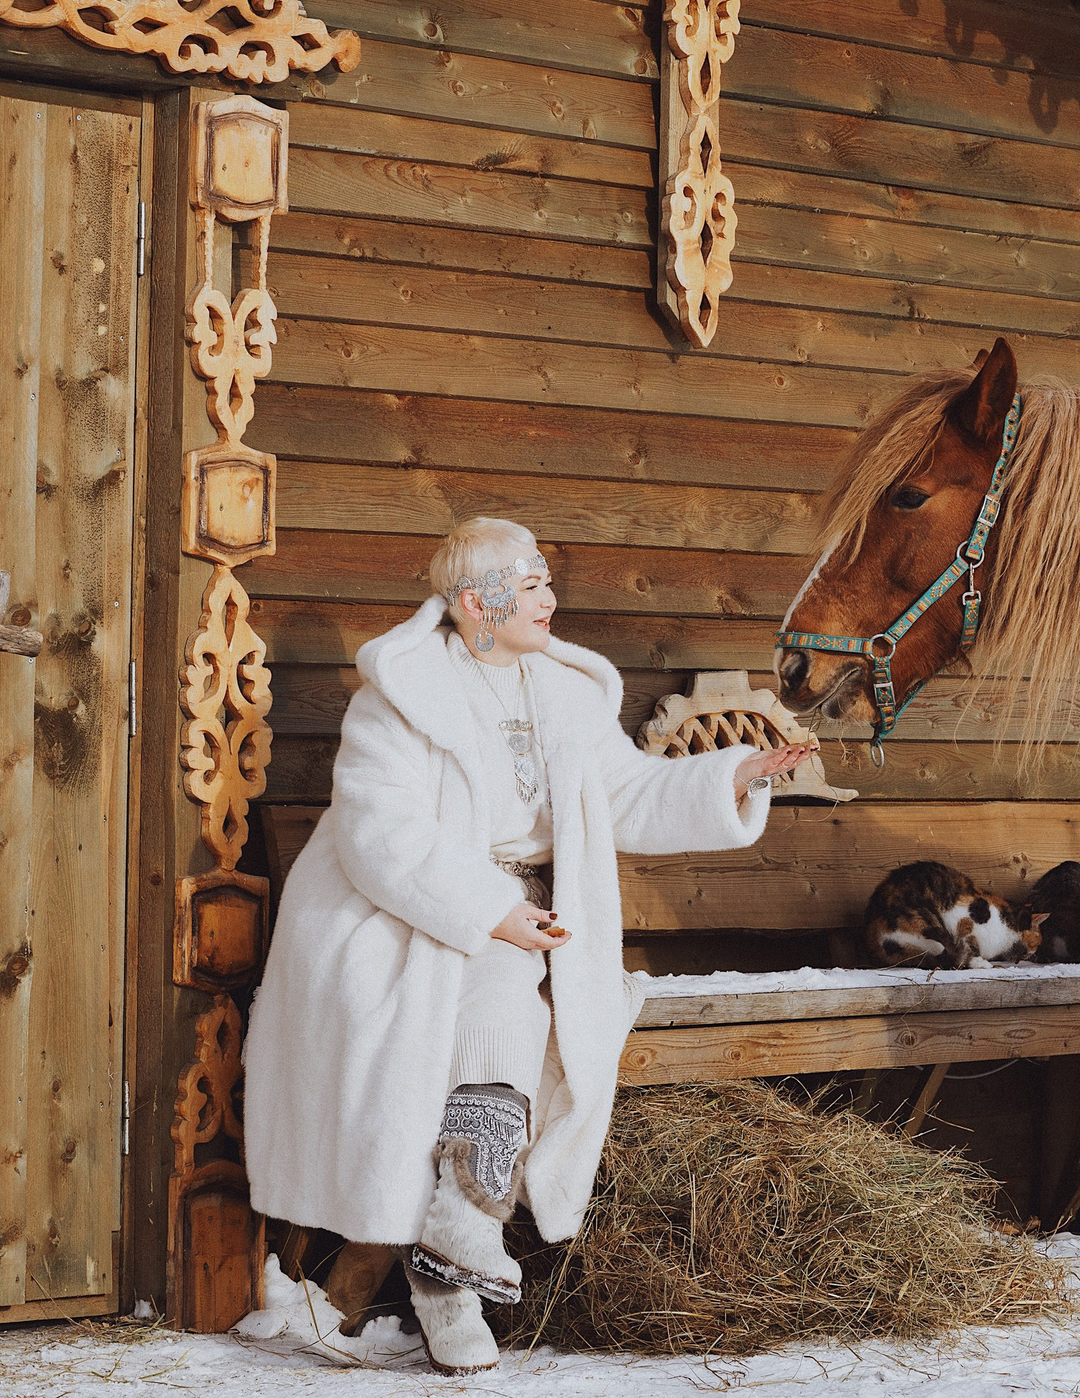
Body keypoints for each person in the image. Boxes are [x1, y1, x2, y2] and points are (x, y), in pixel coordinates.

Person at [242, 517, 813, 1374]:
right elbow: (378, 831)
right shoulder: (401, 692)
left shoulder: (564, 691)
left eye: (548, 580)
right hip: (411, 918)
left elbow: (626, 792)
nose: (550, 598)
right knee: (510, 998)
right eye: (532, 582)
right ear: (479, 601)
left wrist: (733, 774)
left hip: (531, 918)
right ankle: (455, 1260)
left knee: (554, 1013)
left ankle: (451, 1252)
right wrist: (489, 912)